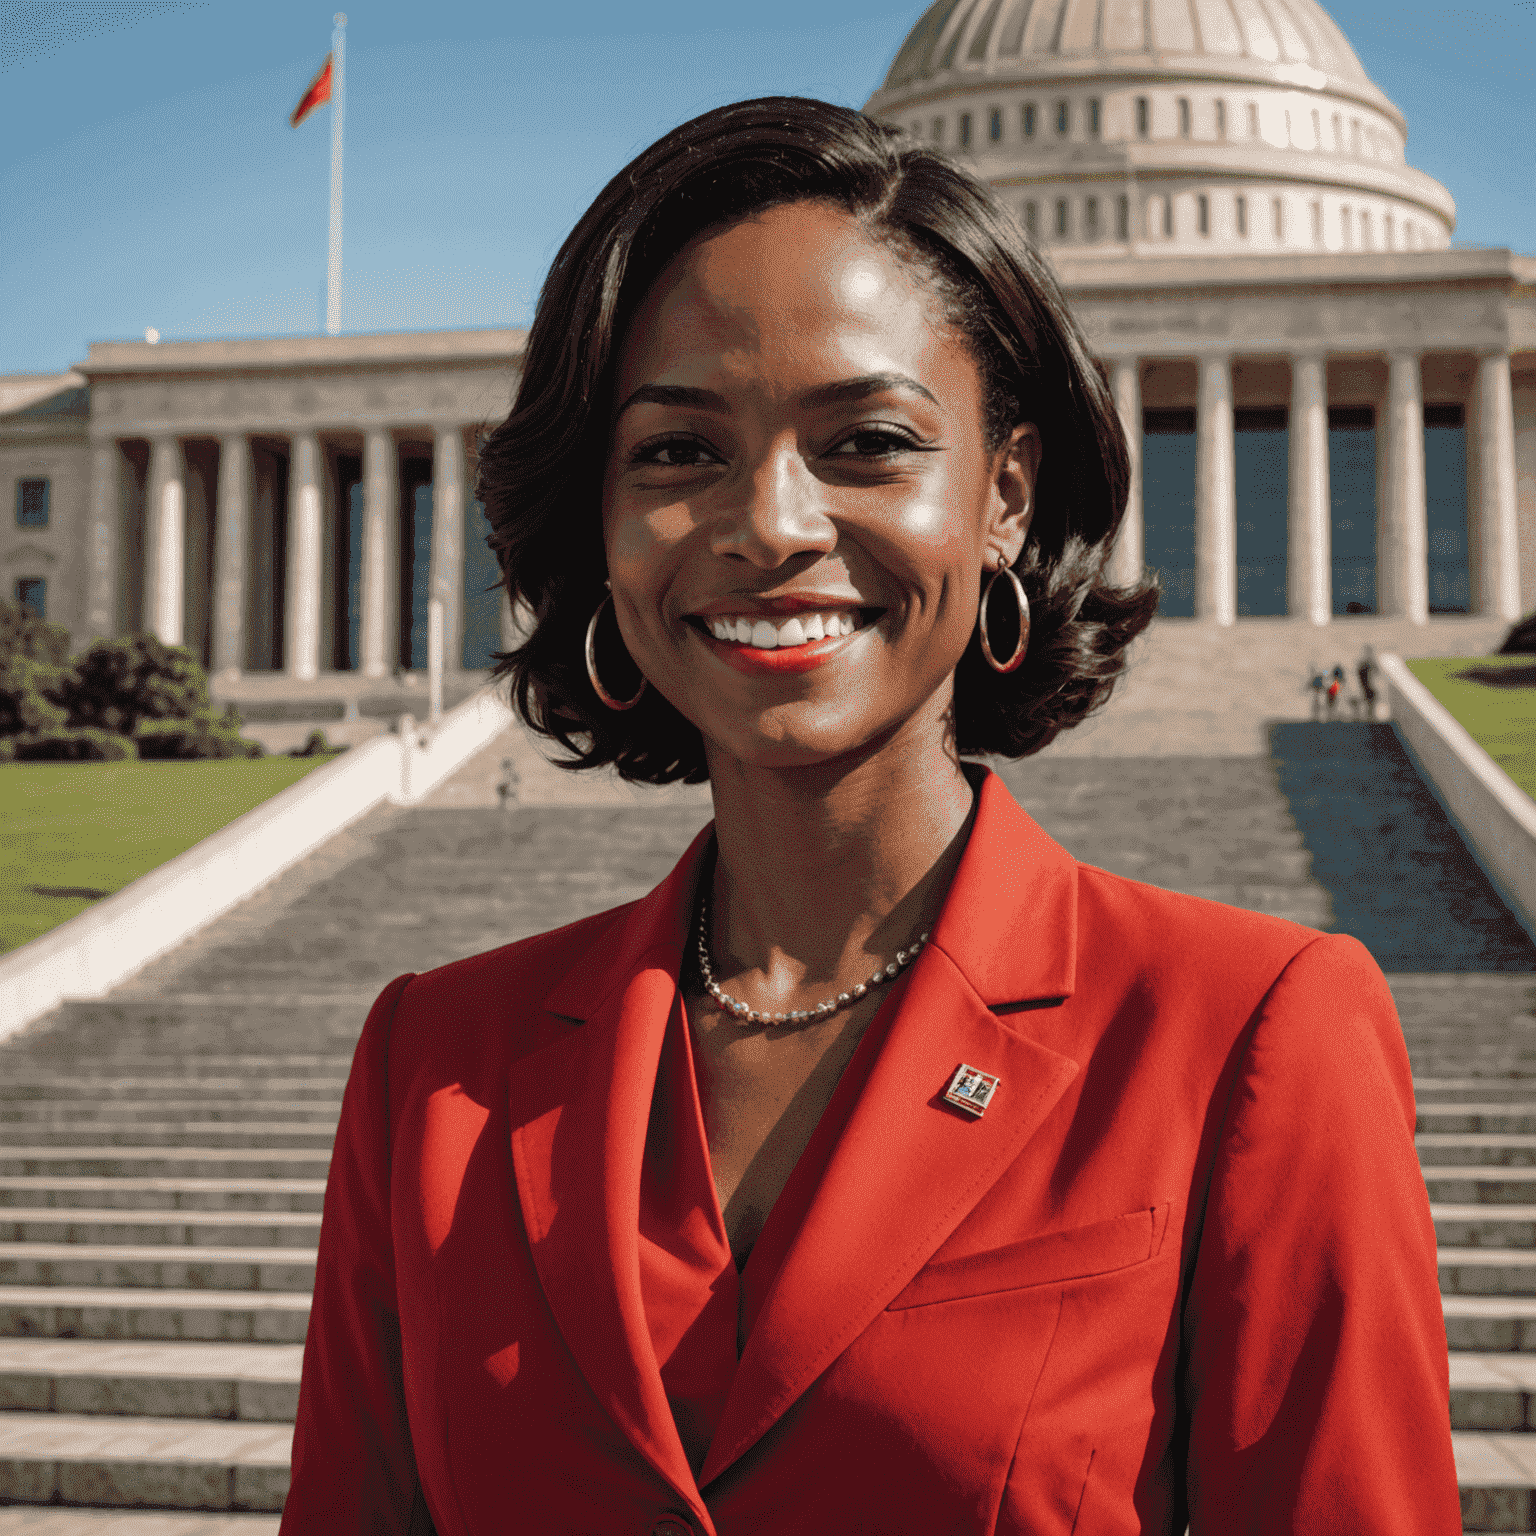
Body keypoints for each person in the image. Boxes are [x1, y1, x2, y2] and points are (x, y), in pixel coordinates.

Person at [281, 98, 1459, 1535]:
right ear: (597, 515)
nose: (770, 523)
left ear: (1004, 494)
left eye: (868, 441)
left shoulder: (1245, 1034)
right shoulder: (440, 1068)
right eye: (676, 452)